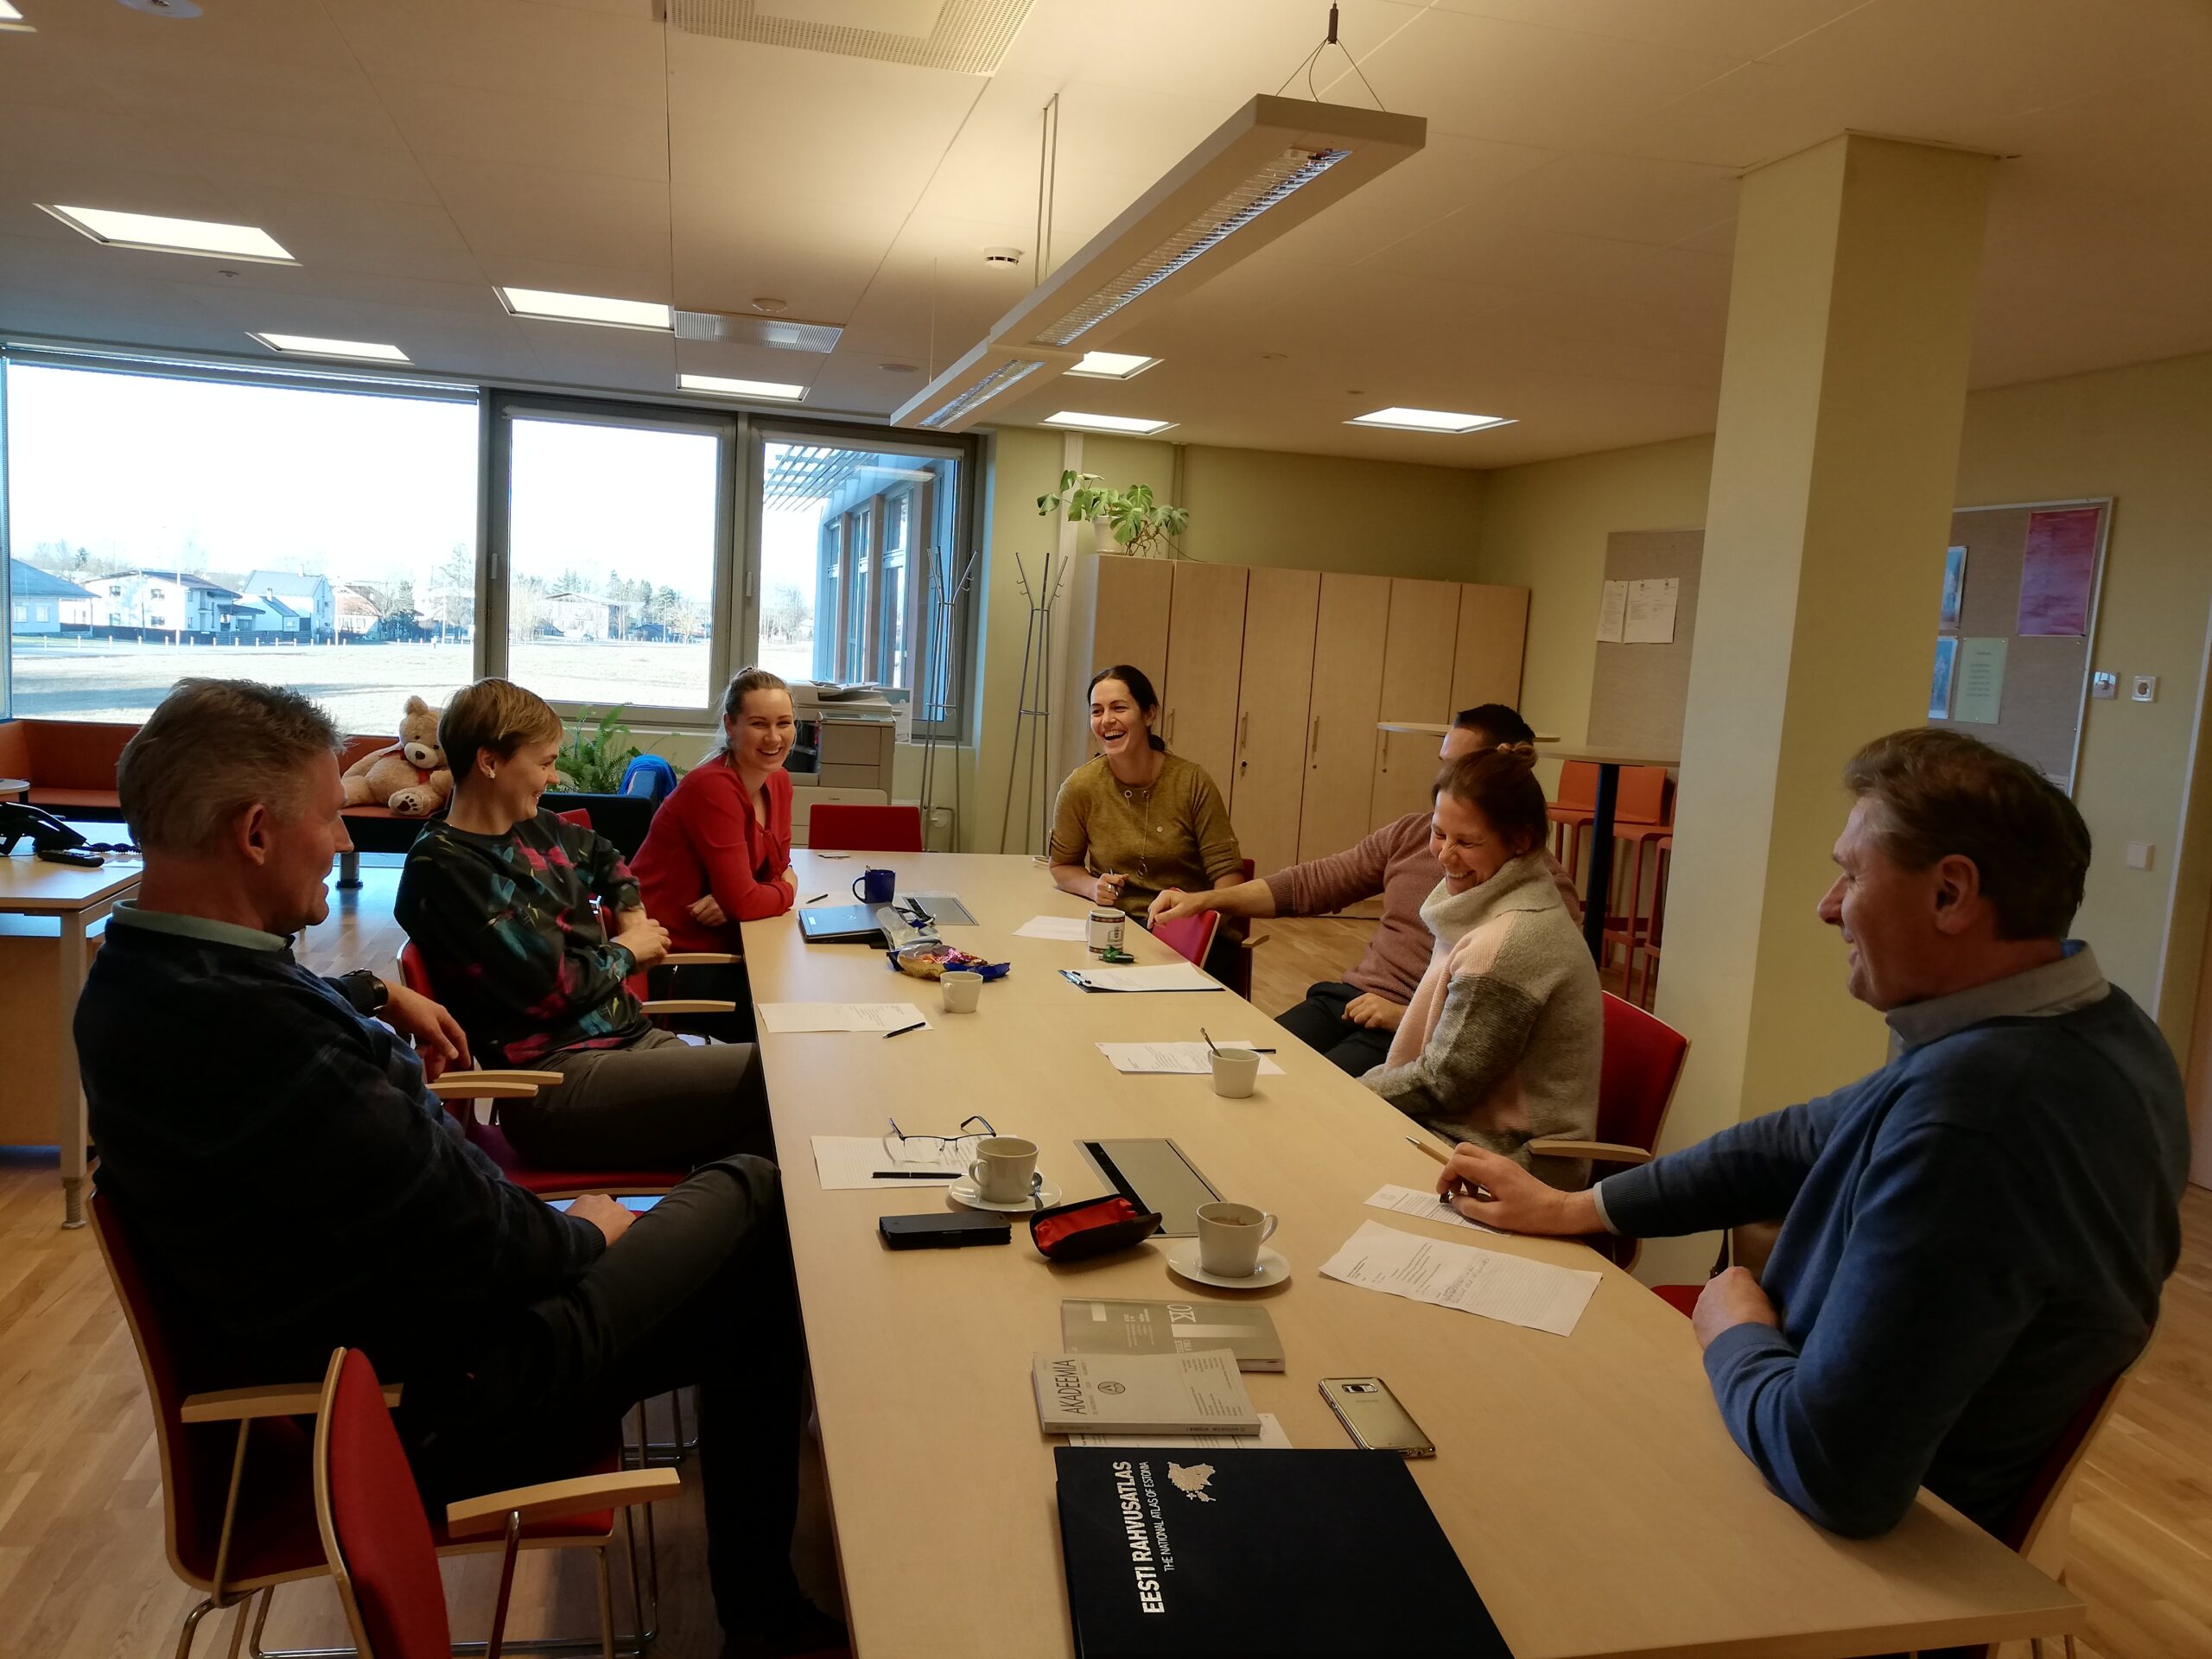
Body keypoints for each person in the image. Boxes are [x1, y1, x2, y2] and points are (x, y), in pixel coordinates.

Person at [76, 678, 840, 1656]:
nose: (344, 841)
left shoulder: (143, 985)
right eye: (328, 818)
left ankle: (767, 1615)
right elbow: (484, 1240)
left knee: (744, 1279)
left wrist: (367, 991)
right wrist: (588, 1230)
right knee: (756, 1197)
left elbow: (285, 1017)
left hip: (394, 1358)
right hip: (447, 1397)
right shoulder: (259, 1038)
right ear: (255, 833)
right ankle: (771, 1608)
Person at [1436, 728, 2189, 1541]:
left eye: (1852, 875)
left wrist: (1735, 1329)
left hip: (1832, 1543)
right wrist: (1573, 1209)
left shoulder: (1977, 1118)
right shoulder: (2093, 1029)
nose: (1829, 906)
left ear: (1951, 894)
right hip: (1801, 1443)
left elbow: (1837, 1473)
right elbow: (1795, 1140)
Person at [394, 677, 770, 1169]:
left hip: (624, 1042)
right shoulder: (446, 867)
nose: (553, 777)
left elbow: (605, 855)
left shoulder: (531, 826)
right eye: (544, 763)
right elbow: (554, 989)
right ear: (489, 762)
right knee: (778, 1074)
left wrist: (631, 915)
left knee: (775, 1124)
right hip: (553, 1081)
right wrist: (630, 951)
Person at [1148, 703, 1579, 1074]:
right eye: (1443, 764)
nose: (1445, 780)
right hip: (1348, 1002)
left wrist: (1406, 1016)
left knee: (1299, 1098)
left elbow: (1498, 1031)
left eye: (1459, 767)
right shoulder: (1413, 834)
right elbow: (1312, 883)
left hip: (1414, 1030)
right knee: (1234, 1066)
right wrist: (1203, 900)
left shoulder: (1541, 898)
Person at [1356, 747, 1600, 1185]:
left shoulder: (1511, 942)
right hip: (1460, 1133)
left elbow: (1444, 1083)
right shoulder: (1500, 901)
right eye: (1438, 834)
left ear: (1521, 841)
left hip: (1512, 1161)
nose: (1444, 855)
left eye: (1466, 842)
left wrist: (1344, 1092)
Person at [631, 667, 798, 1038]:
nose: (774, 737)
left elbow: (774, 869)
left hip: (728, 945)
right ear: (730, 725)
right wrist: (784, 890)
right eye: (758, 724)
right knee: (787, 1018)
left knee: (804, 990)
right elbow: (762, 890)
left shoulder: (779, 781)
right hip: (674, 962)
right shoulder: (713, 787)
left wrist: (743, 895)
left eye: (784, 723)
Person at [1048, 663, 1245, 980]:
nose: (1106, 720)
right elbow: (1061, 866)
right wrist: (1092, 887)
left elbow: (1230, 881)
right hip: (1117, 933)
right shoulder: (1080, 787)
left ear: (1149, 714)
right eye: (1097, 711)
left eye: (1119, 708)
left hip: (1189, 943)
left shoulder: (1191, 782)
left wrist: (1198, 923)